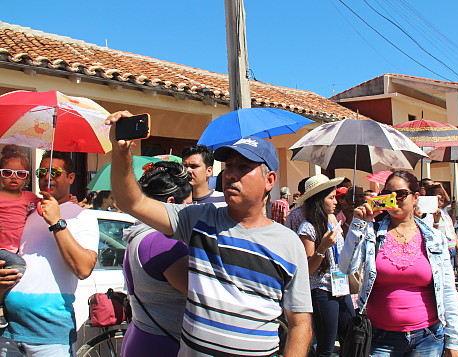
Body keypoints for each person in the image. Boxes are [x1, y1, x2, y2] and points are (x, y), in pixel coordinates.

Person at [107, 111, 312, 356]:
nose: (230, 174)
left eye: (243, 167)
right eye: (228, 167)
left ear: (269, 180)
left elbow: (300, 322)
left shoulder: (289, 243)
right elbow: (133, 203)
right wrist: (121, 153)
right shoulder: (199, 219)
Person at [340, 170, 458, 357]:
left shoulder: (433, 238)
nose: (394, 199)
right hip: (379, 338)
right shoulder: (372, 234)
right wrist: (359, 224)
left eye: (400, 194)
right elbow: (347, 268)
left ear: (415, 198)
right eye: (387, 194)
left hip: (427, 337)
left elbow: (447, 290)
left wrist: (454, 340)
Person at [1, 151, 99, 356]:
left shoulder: (83, 215)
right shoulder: (29, 211)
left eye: (55, 171)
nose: (47, 176)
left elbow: (84, 268)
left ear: (70, 178)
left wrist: (57, 222)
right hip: (11, 330)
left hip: (50, 333)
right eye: (42, 171)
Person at [122, 161, 193, 357]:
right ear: (171, 203)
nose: (192, 213)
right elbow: (199, 292)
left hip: (141, 334)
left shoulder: (139, 234)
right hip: (163, 343)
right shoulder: (164, 242)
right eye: (188, 206)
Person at [295, 174, 354, 356]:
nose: (336, 201)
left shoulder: (333, 221)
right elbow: (308, 268)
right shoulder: (308, 227)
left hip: (341, 287)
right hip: (322, 291)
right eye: (331, 198)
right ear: (320, 201)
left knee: (352, 336)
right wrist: (322, 247)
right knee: (326, 347)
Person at [0, 146, 39, 328]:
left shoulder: (29, 197)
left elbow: (50, 205)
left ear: (27, 177)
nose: (14, 177)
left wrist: (71, 201)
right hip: (3, 250)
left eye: (20, 174)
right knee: (18, 268)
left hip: (16, 249)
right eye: (8, 172)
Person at [425, 184, 458, 269]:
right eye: (439, 194)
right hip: (440, 253)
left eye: (443, 194)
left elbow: (452, 232)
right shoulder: (428, 215)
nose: (442, 197)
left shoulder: (444, 213)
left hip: (451, 251)